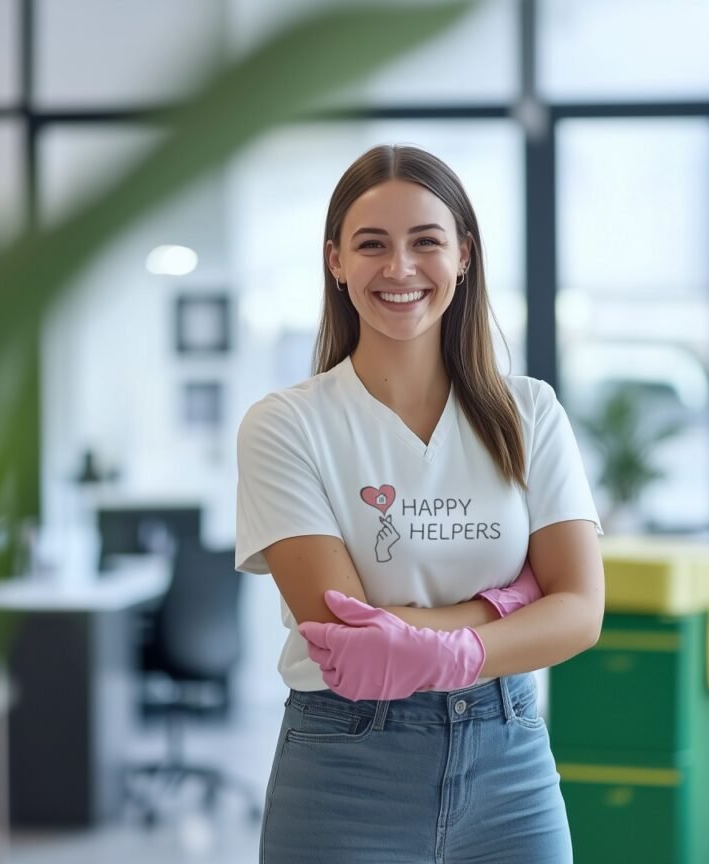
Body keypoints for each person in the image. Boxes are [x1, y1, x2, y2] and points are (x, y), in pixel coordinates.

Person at [234, 144, 605, 863]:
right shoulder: (287, 424)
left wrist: (447, 649)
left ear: (463, 255)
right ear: (336, 261)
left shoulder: (530, 413)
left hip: (511, 769)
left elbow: (582, 612)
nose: (399, 268)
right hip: (346, 772)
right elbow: (346, 642)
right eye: (372, 244)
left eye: (426, 242)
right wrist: (510, 606)